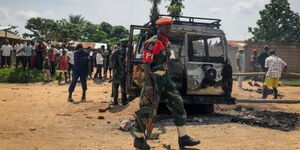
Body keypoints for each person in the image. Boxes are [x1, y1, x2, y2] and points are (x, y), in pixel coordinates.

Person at [133, 18, 200, 150]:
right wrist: (149, 86)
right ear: (159, 27)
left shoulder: (166, 43)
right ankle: (139, 139)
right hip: (153, 81)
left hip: (165, 80)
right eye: (166, 26)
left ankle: (183, 137)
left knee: (178, 103)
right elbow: (146, 66)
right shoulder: (151, 43)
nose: (169, 28)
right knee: (147, 111)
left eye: (170, 26)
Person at [112, 39, 128, 106]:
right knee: (123, 86)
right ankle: (124, 101)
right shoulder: (122, 50)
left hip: (115, 70)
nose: (127, 44)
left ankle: (115, 101)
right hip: (120, 71)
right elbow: (120, 60)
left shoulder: (117, 49)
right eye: (126, 43)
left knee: (115, 85)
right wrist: (123, 70)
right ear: (123, 43)